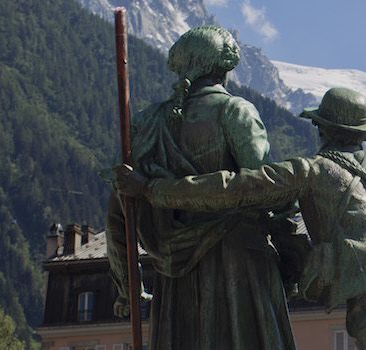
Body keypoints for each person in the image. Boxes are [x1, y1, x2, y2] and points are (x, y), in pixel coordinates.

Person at [116, 86, 366, 350]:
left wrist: (154, 190)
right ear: (363, 133)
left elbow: (233, 188)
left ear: (321, 128)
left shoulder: (312, 171)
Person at [106, 25, 296, 349]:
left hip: (174, 276)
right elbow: (263, 190)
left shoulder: (148, 123)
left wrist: (128, 284)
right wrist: (291, 259)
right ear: (222, 68)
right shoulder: (235, 111)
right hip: (238, 267)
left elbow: (119, 210)